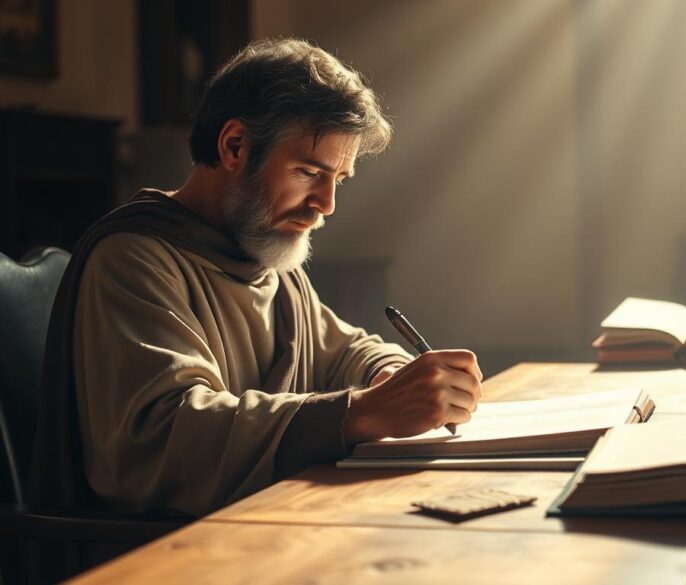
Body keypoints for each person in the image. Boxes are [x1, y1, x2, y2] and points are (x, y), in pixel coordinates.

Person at [32, 38, 483, 517]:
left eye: (339, 179)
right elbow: (163, 437)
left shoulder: (263, 252)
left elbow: (344, 350)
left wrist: (390, 374)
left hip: (263, 520)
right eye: (309, 172)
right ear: (234, 146)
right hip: (167, 553)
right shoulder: (133, 258)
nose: (326, 203)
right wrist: (361, 412)